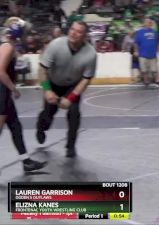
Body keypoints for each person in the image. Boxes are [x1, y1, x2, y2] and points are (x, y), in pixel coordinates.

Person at [36, 21, 97, 158]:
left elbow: (86, 79)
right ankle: (41, 128)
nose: (73, 33)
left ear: (84, 36)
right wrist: (47, 90)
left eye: (79, 31)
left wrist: (70, 98)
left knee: (74, 113)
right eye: (72, 29)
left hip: (72, 86)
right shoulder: (56, 45)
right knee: (49, 112)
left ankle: (70, 146)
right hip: (53, 83)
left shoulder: (91, 54)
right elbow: (42, 69)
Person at [0, 17, 46, 172]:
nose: (26, 36)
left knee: (16, 127)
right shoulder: (7, 46)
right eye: (24, 32)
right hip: (2, 93)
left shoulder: (7, 45)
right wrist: (14, 88)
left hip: (4, 93)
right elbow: (0, 71)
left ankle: (25, 161)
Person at [135, 18, 159, 87]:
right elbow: (136, 43)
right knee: (144, 69)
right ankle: (146, 81)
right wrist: (136, 51)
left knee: (155, 69)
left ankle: (158, 80)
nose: (149, 23)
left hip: (152, 54)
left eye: (150, 22)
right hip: (143, 54)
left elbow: (158, 41)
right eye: (147, 22)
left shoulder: (154, 32)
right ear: (144, 23)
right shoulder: (139, 32)